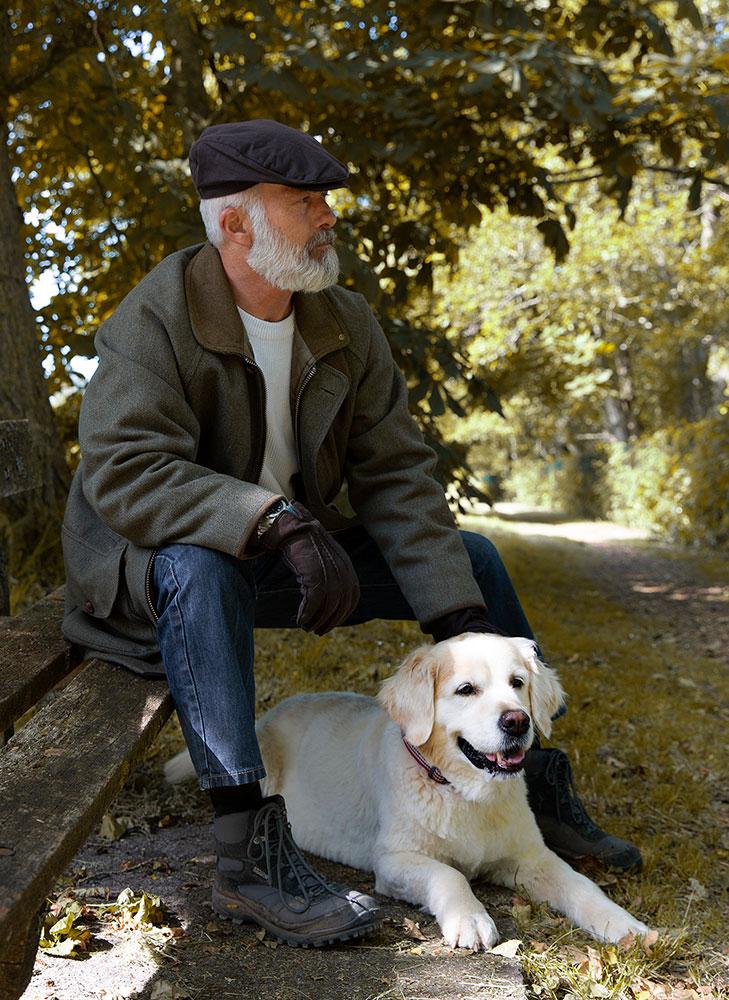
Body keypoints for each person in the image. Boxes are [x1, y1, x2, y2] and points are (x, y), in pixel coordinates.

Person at [61, 119, 641, 948]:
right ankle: (246, 851)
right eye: (302, 201)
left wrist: (391, 582)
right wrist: (269, 520)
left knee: (468, 559)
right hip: (163, 577)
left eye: (324, 199)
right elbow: (124, 474)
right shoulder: (151, 322)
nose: (327, 216)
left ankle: (523, 782)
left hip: (295, 553)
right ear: (234, 225)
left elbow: (397, 476)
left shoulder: (344, 322)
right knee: (199, 563)